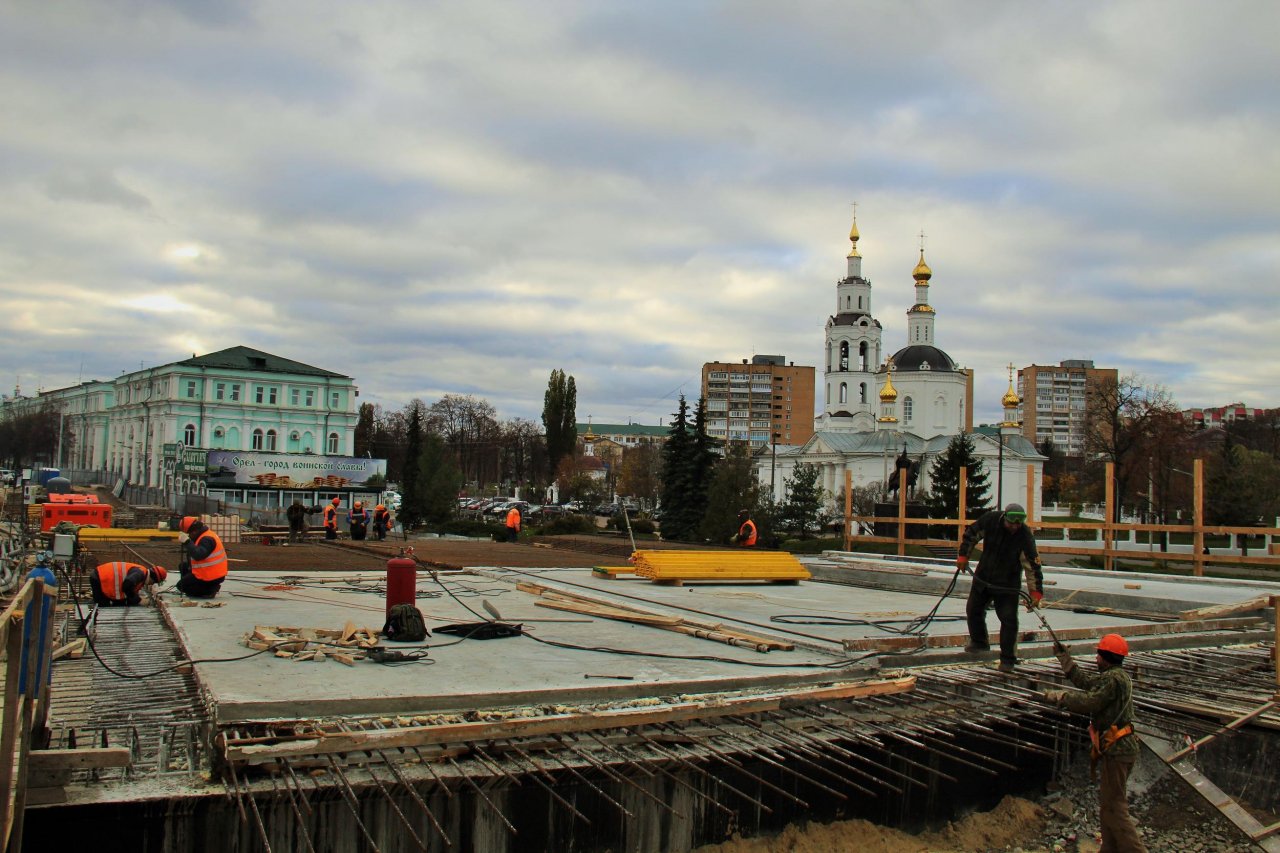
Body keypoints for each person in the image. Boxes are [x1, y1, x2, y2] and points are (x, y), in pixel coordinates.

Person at [1042, 634, 1146, 852]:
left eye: (1099, 654)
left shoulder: (1112, 679)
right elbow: (1088, 684)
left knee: (1115, 807)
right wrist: (1066, 661)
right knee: (1108, 806)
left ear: (1106, 657)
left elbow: (1090, 701)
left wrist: (1062, 697)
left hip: (1119, 750)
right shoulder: (1114, 676)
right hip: (1118, 750)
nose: (1096, 658)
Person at [957, 502, 1043, 673]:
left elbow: (1032, 566)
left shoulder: (1024, 536)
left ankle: (1008, 659)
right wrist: (963, 555)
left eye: (1018, 524)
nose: (1014, 527)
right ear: (1004, 517)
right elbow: (971, 534)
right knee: (973, 609)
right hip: (984, 577)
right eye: (1012, 523)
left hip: (1007, 584)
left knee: (1009, 620)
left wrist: (1036, 592)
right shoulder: (990, 520)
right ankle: (979, 643)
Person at [176, 515, 228, 598]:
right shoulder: (201, 535)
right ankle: (198, 587)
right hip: (207, 571)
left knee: (181, 586)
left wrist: (187, 542)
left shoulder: (207, 539)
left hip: (212, 575)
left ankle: (210, 590)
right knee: (183, 566)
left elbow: (198, 555)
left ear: (194, 531)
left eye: (189, 533)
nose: (189, 536)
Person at [90, 560, 167, 606]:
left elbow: (129, 593)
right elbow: (127, 586)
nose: (152, 584)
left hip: (101, 577)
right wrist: (139, 600)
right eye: (154, 582)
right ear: (153, 579)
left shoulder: (141, 576)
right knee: (102, 608)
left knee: (119, 604)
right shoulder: (140, 573)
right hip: (99, 577)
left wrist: (133, 601)